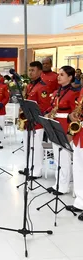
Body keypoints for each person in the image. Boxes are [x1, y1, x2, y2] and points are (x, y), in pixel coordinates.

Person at [45, 66, 79, 195]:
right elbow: (52, 107)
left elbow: (76, 115)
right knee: (58, 157)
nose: (58, 76)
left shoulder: (73, 93)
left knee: (64, 158)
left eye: (62, 74)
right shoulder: (57, 92)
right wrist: (47, 113)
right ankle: (58, 183)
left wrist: (71, 133)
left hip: (66, 127)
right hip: (55, 125)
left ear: (70, 77)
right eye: (58, 74)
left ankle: (64, 186)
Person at [18, 61, 51, 179]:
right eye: (30, 70)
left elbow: (44, 106)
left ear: (40, 71)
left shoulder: (43, 87)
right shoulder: (30, 85)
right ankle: (29, 166)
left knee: (36, 146)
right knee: (27, 145)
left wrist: (33, 114)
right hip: (28, 120)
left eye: (33, 70)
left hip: (36, 122)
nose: (30, 72)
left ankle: (37, 170)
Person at [68, 78, 83, 221]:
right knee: (78, 169)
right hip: (80, 135)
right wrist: (74, 115)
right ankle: (80, 201)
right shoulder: (82, 91)